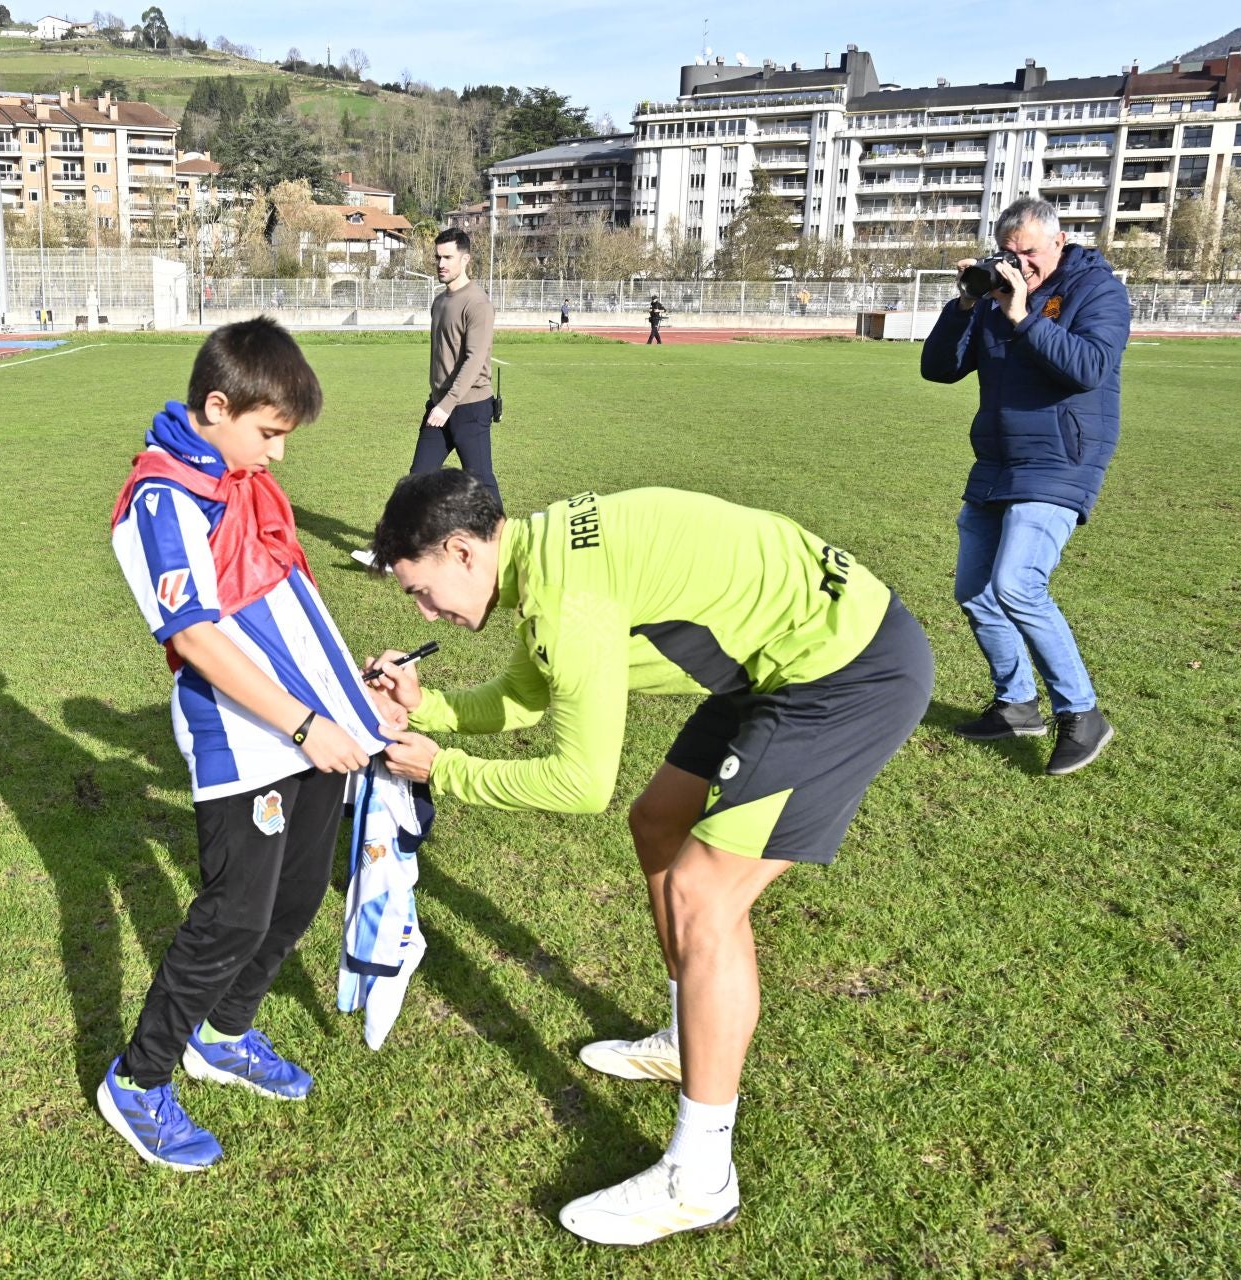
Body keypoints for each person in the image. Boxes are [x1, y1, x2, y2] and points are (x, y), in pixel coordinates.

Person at [363, 471, 933, 1246]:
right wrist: (424, 705)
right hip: (774, 665)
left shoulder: (568, 596)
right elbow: (530, 695)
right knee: (658, 821)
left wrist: (445, 769)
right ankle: (681, 1037)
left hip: (844, 671)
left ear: (463, 551)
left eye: (423, 593)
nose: (428, 613)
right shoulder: (545, 554)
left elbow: (579, 781)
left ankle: (701, 1176)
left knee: (704, 895)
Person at [101, 317, 401, 1171]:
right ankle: (139, 1079)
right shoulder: (162, 496)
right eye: (269, 434)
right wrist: (304, 723)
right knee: (232, 915)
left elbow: (289, 610)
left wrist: (347, 699)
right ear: (220, 406)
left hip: (313, 731)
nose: (277, 456)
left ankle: (224, 1034)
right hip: (245, 738)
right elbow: (195, 636)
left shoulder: (240, 485)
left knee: (298, 895)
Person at [920, 195, 1129, 775]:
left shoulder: (1097, 292)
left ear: (1058, 243)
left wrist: (1024, 315)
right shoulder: (992, 297)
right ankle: (1016, 704)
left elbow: (1089, 367)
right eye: (1008, 253)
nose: (1020, 265)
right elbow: (938, 368)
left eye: (1030, 253)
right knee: (975, 590)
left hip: (1063, 457)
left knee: (1017, 584)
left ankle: (1082, 715)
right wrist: (965, 305)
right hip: (997, 461)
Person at [352, 228, 497, 568]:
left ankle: (503, 552)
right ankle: (389, 554)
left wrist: (447, 405)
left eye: (447, 257)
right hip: (440, 408)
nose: (440, 263)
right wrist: (438, 402)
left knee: (481, 481)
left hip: (470, 407)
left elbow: (474, 360)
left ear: (466, 259)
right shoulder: (440, 301)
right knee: (415, 483)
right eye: (438, 257)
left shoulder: (477, 303)